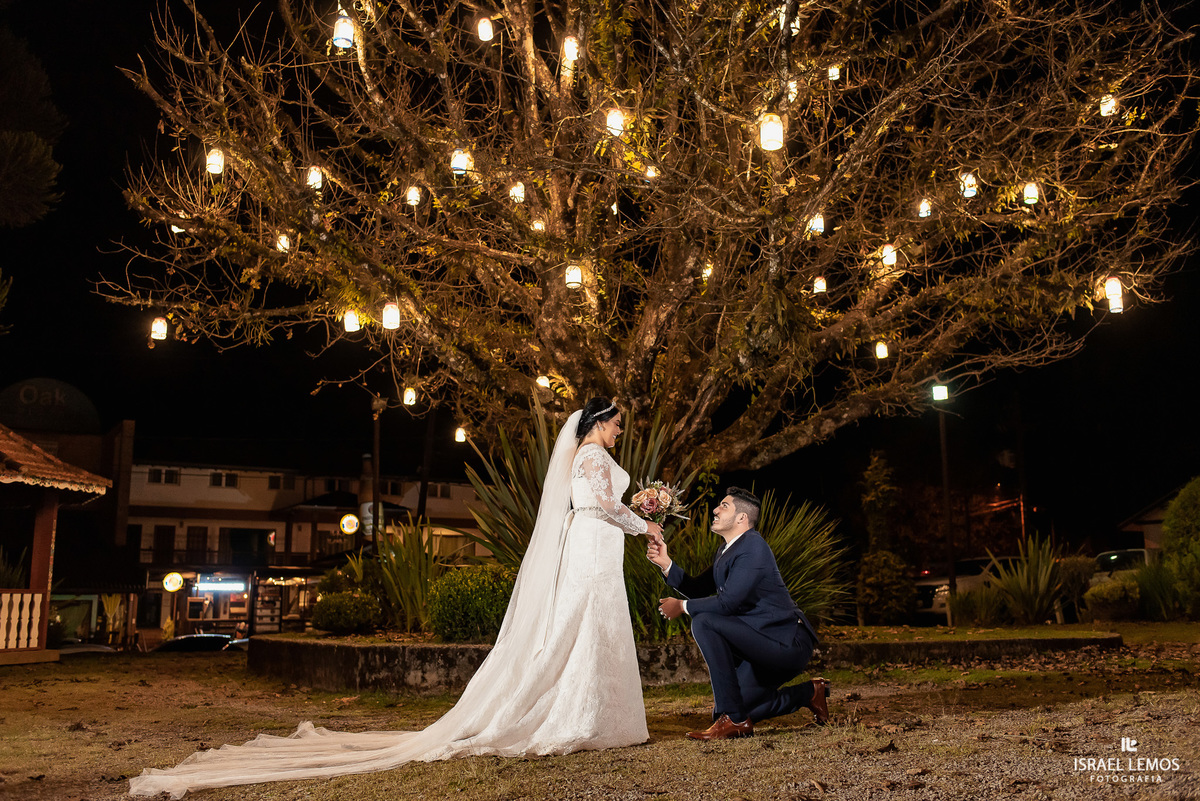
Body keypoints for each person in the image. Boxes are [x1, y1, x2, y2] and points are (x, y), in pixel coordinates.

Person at [129, 398, 663, 799]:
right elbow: (597, 504)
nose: (620, 431)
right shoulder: (592, 457)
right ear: (598, 422)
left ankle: (594, 714)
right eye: (617, 423)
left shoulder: (588, 454)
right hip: (595, 544)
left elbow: (597, 502)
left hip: (596, 545)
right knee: (587, 622)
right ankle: (579, 715)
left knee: (592, 623)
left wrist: (636, 510)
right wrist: (645, 522)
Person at [647, 487, 829, 740]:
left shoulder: (754, 547)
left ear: (742, 518)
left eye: (724, 506)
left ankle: (733, 720)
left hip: (786, 643)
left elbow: (727, 604)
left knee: (705, 622)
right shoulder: (726, 550)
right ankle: (809, 693)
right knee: (742, 705)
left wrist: (682, 607)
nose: (715, 510)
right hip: (760, 645)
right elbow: (698, 588)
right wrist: (666, 564)